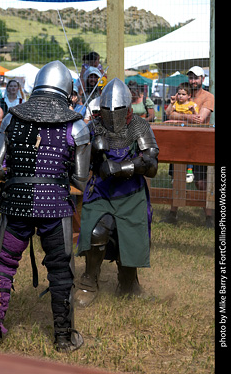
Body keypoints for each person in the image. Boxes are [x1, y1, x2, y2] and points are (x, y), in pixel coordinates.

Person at [0, 61, 91, 352]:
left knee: (3, 265)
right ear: (66, 90)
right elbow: (79, 178)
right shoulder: (76, 125)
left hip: (17, 203)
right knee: (61, 269)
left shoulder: (12, 118)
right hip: (54, 206)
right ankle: (63, 337)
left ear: (37, 85)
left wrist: (22, 173)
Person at [74, 78, 159, 308]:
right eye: (107, 110)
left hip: (131, 194)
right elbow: (79, 166)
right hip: (101, 192)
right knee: (97, 230)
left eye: (117, 109)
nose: (112, 114)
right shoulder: (94, 127)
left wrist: (121, 167)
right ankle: (89, 282)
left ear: (127, 107)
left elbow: (151, 165)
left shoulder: (139, 126)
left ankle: (128, 284)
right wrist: (92, 150)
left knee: (129, 236)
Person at [161, 66, 215, 227]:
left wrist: (178, 118)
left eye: (196, 78)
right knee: (177, 179)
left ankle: (209, 217)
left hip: (199, 143)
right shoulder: (182, 94)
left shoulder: (208, 97)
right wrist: (184, 118)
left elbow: (201, 118)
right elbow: (169, 114)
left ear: (202, 79)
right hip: (179, 142)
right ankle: (172, 214)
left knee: (201, 181)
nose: (193, 81)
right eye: (190, 78)